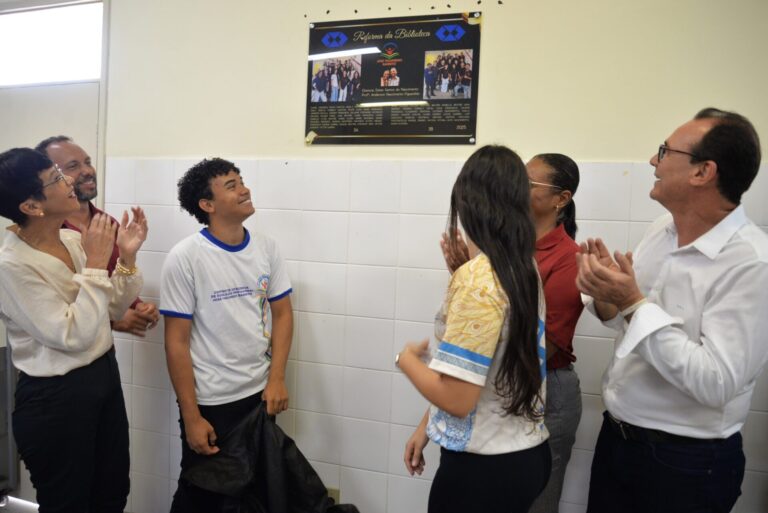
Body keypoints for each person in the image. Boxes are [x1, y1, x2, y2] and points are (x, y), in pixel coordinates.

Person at [576, 108, 768, 513]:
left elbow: (716, 382)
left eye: (665, 151)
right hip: (619, 440)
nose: (652, 161)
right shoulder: (660, 230)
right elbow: (630, 324)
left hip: (686, 464)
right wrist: (608, 297)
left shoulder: (751, 264)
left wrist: (632, 302)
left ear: (703, 172)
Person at [398, 145, 551, 513]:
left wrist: (406, 359)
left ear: (466, 200)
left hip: (483, 471)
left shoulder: (478, 279)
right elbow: (480, 370)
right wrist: (427, 427)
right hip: (526, 455)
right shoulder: (521, 267)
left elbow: (458, 398)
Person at [0, 148, 147, 512]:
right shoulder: (10, 265)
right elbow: (71, 335)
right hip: (56, 397)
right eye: (56, 180)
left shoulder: (69, 240)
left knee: (112, 493)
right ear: (32, 207)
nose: (69, 182)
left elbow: (110, 306)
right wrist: (97, 263)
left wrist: (125, 257)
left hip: (102, 378)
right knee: (69, 504)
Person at [441, 153, 584, 513]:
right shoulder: (511, 257)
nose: (519, 190)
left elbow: (536, 345)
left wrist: (408, 360)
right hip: (495, 398)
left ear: (561, 199)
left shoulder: (565, 258)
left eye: (529, 184)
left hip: (537, 389)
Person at [161, 157, 294, 513]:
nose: (244, 189)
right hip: (212, 402)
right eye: (231, 186)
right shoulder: (185, 257)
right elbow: (175, 342)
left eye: (241, 180)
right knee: (204, 494)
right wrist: (191, 415)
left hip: (259, 394)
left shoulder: (266, 247)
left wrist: (277, 378)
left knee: (254, 493)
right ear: (207, 205)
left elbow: (282, 314)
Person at [35, 135, 160, 338]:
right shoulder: (45, 234)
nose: (87, 171)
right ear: (49, 178)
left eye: (88, 162)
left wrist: (138, 307)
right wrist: (113, 320)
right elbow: (55, 316)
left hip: (103, 356)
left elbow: (113, 282)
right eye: (73, 166)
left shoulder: (106, 223)